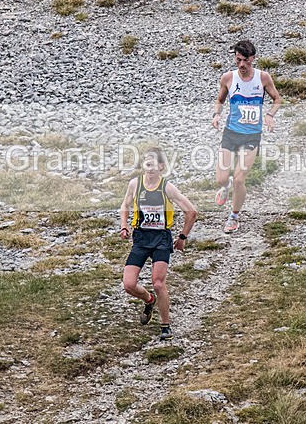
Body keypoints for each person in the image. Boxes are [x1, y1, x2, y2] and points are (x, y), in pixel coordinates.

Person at [119, 147, 197, 341]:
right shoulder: (135, 184)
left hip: (161, 238)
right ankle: (149, 300)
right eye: (147, 164)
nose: (150, 168)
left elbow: (191, 212)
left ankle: (165, 325)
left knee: (158, 283)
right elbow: (125, 205)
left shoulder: (167, 187)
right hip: (141, 238)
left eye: (154, 165)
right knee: (128, 284)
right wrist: (123, 226)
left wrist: (182, 237)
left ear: (161, 167)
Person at [211, 40, 281, 234]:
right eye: (238, 59)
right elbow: (219, 100)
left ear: (253, 59)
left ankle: (233, 217)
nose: (242, 65)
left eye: (246, 61)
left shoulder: (263, 78)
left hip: (251, 136)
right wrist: (216, 114)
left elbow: (277, 99)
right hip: (231, 133)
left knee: (240, 179)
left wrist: (269, 115)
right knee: (221, 179)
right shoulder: (228, 78)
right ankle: (227, 186)